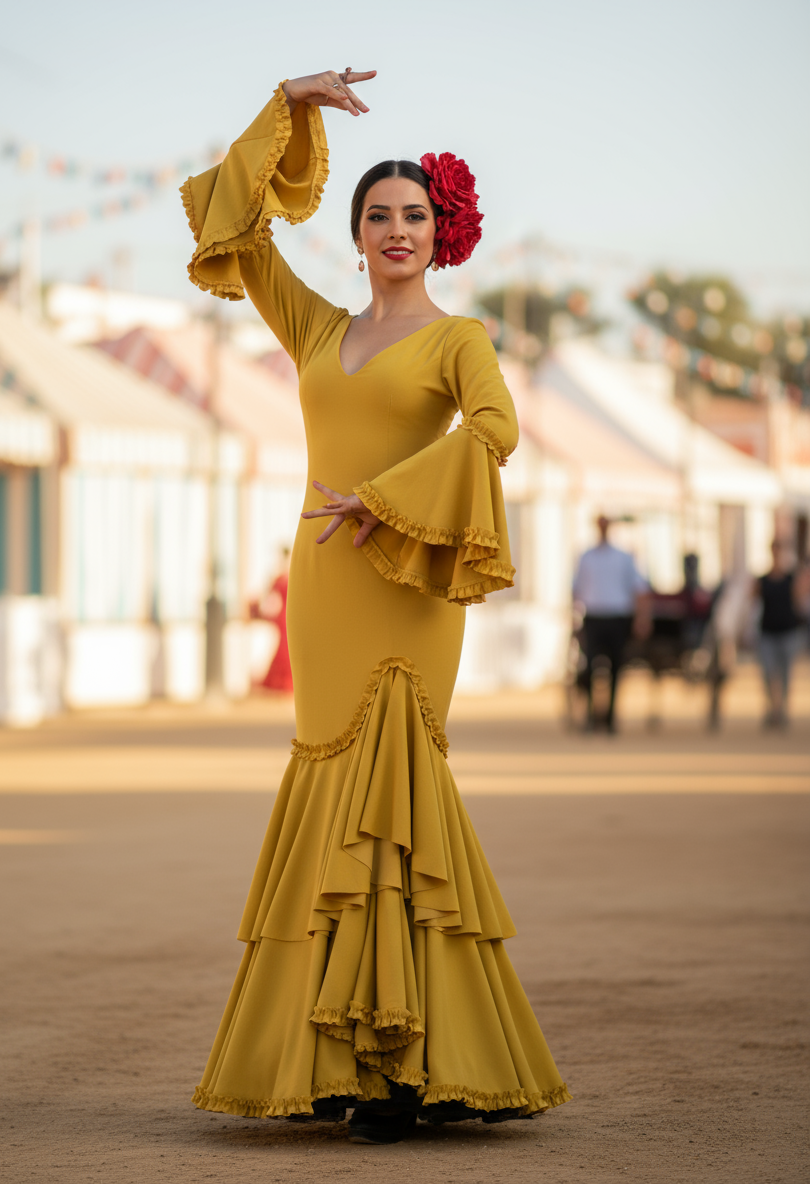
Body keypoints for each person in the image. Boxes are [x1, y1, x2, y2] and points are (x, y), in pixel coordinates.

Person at [181, 68, 569, 1145]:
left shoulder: (462, 342)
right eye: (378, 215)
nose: (398, 229)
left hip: (404, 586)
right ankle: (345, 1054)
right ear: (353, 234)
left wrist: (391, 500)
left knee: (398, 798)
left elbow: (493, 433)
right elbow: (231, 225)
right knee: (327, 798)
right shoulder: (311, 327)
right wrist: (286, 108)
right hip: (325, 584)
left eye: (415, 215)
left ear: (443, 232)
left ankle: (410, 1065)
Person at [573, 515, 650, 732]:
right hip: (594, 616)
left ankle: (610, 717)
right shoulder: (586, 557)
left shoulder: (623, 557)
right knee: (589, 667)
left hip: (618, 617)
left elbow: (639, 589)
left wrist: (641, 618)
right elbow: (576, 588)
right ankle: (590, 715)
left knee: (616, 668)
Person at [755, 539, 809, 729]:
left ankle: (782, 709)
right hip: (767, 632)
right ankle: (772, 708)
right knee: (769, 673)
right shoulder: (762, 580)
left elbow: (800, 601)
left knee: (785, 674)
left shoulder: (791, 578)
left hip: (787, 632)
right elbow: (753, 604)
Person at [249, 547, 294, 692]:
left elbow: (271, 602)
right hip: (287, 616)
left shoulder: (281, 578)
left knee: (285, 648)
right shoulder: (289, 577)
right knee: (286, 648)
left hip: (286, 616)